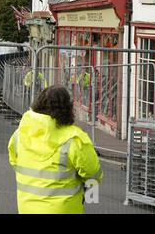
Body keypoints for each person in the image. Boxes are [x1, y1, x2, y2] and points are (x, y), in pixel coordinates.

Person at [8, 86, 102, 214]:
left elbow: (15, 163)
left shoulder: (20, 134)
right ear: (68, 108)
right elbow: (93, 174)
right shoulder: (75, 138)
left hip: (26, 208)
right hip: (63, 209)